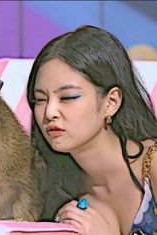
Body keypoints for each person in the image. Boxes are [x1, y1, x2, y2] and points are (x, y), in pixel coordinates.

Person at [26, 25, 157, 235]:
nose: (49, 112)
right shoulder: (70, 199)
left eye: (68, 97)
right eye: (40, 99)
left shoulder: (152, 165)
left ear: (111, 102)